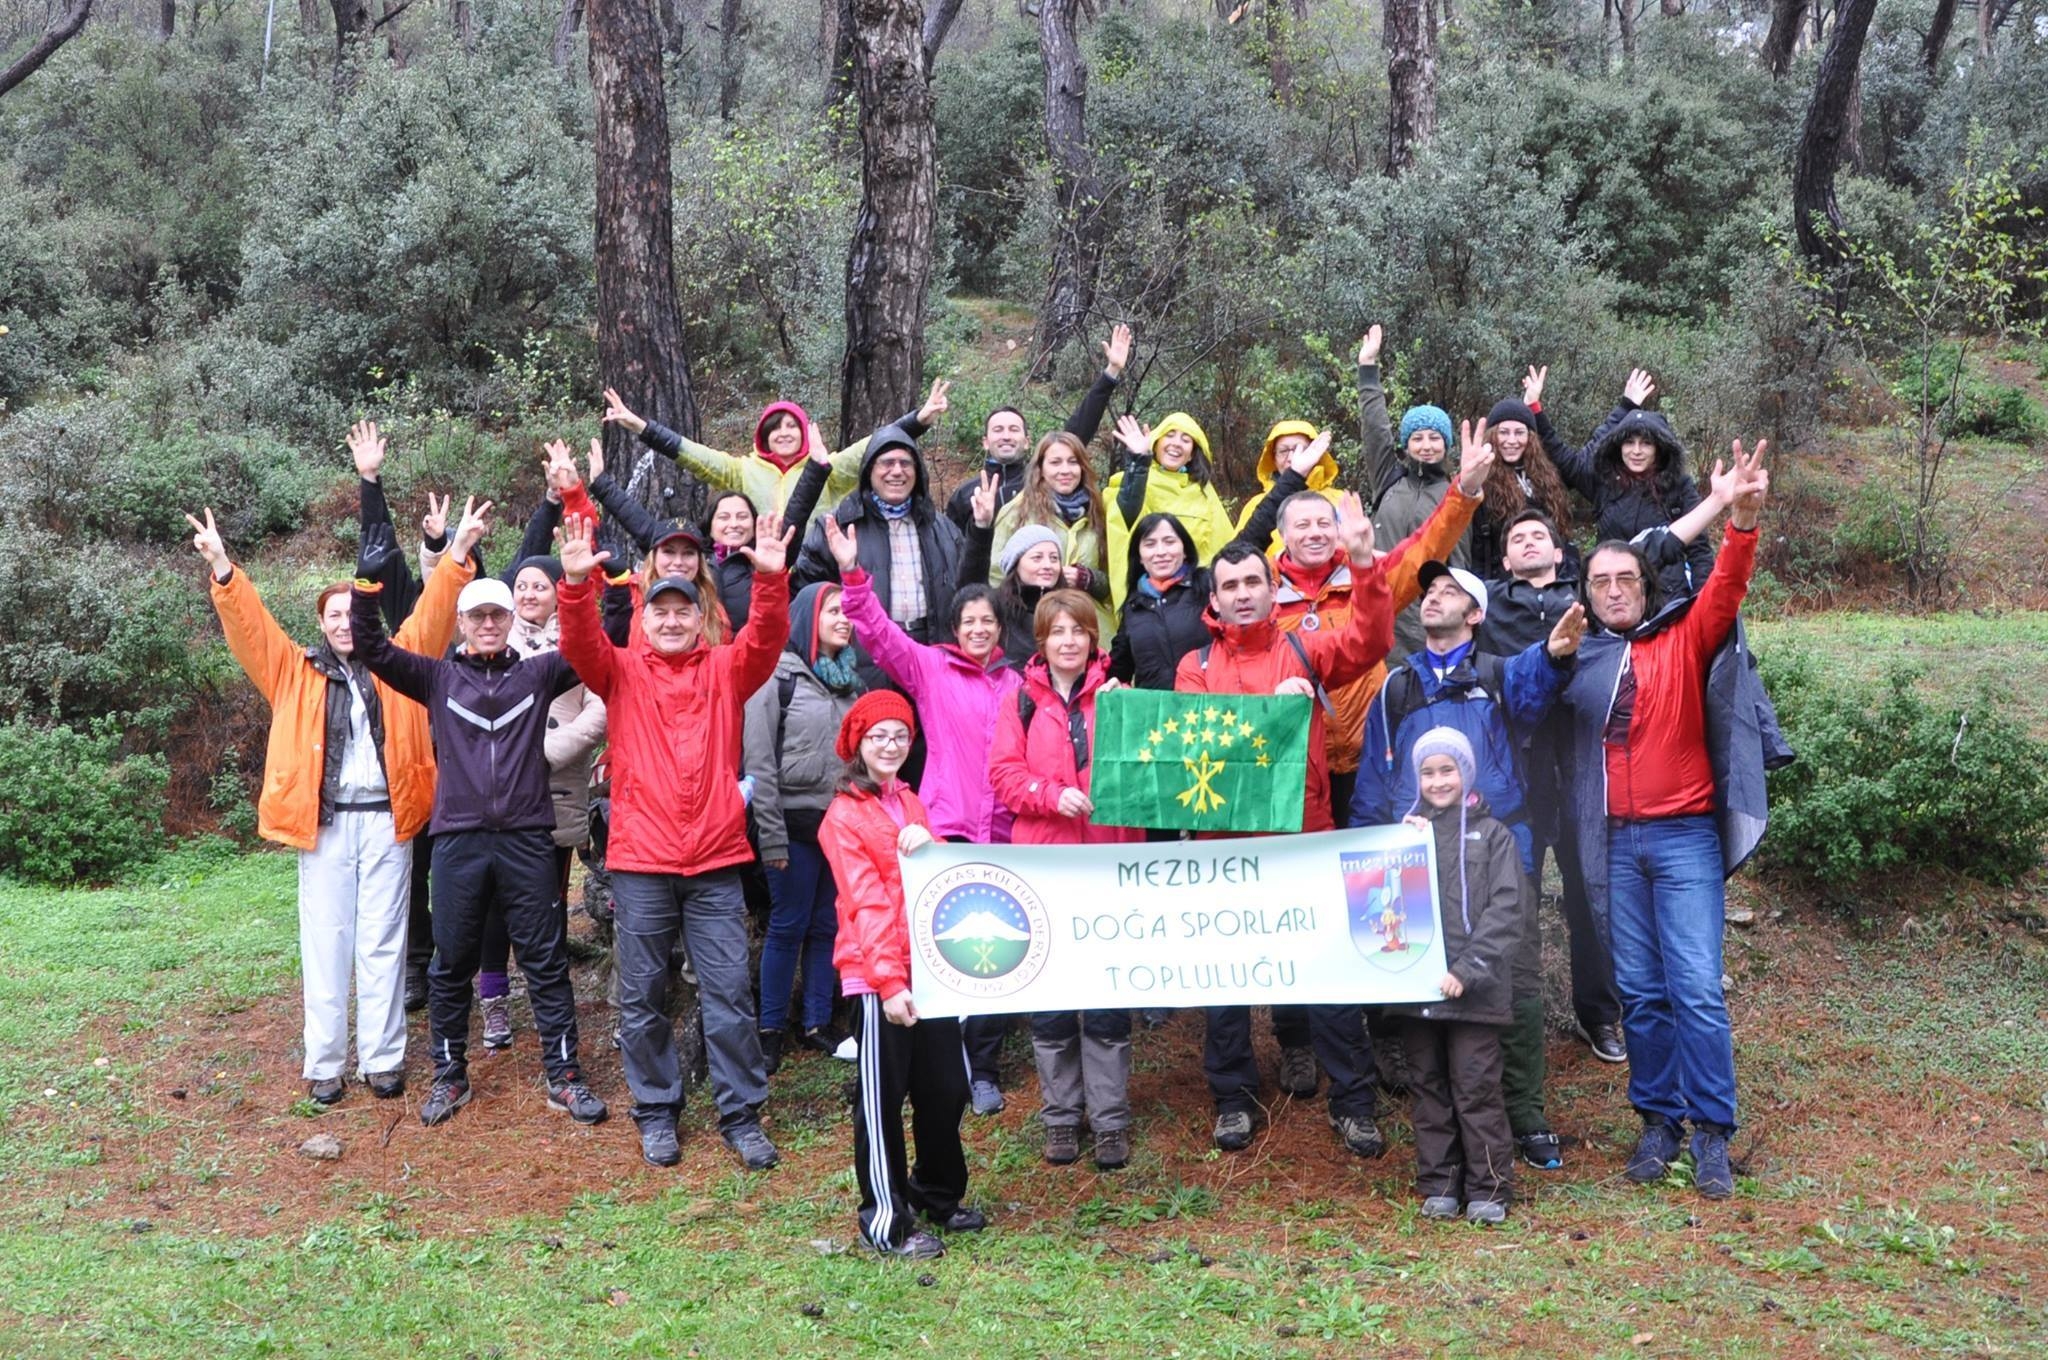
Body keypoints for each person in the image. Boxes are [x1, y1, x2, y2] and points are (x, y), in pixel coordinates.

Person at [190, 503, 475, 1104]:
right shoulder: (293, 672)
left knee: (384, 940)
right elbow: (253, 628)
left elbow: (434, 613)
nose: (346, 623)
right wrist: (222, 567)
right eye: (334, 614)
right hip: (324, 826)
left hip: (388, 822)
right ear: (321, 623)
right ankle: (324, 1064)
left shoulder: (399, 661)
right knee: (326, 939)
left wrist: (455, 555)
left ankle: (383, 1059)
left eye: (352, 612)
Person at [1552, 439, 1773, 1201]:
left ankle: (1713, 1132)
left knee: (1696, 988)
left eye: (1625, 578)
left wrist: (1738, 521)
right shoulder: (1574, 657)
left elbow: (1728, 588)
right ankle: (1658, 1120)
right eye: (1600, 581)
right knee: (1641, 992)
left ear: (1645, 586)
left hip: (1681, 837)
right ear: (1585, 592)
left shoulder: (1684, 633)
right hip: (1612, 841)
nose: (1614, 590)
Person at [349, 503, 606, 1130]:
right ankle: (448, 1075)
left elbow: (599, 648)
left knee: (544, 960)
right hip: (459, 841)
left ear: (512, 620)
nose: (489, 624)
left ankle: (564, 1076)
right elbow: (372, 647)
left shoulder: (540, 674)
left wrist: (580, 585)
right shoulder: (436, 678)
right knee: (450, 961)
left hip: (525, 838)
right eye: (479, 615)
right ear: (463, 621)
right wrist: (365, 583)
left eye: (499, 615)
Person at [555, 509, 794, 1170]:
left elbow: (768, 637)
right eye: (658, 610)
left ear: (699, 617)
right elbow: (578, 644)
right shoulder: (621, 671)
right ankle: (657, 1109)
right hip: (640, 860)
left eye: (681, 612)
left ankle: (740, 1111)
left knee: (728, 993)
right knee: (642, 996)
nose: (668, 619)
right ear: (645, 618)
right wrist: (575, 588)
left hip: (716, 859)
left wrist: (771, 580)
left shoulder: (726, 669)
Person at [1175, 493, 1395, 1157]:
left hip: (1306, 839)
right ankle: (1233, 1099)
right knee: (1228, 981)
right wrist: (1271, 717)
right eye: (1230, 586)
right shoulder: (1197, 668)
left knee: (1328, 973)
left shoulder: (1307, 649)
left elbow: (1373, 638)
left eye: (1253, 583)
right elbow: (1196, 758)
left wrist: (1363, 563)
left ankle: (1354, 1100)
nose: (1243, 595)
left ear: (1274, 588)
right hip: (1227, 850)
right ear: (1213, 598)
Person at [1351, 560, 1587, 1171]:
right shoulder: (1397, 687)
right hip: (1413, 856)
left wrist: (1557, 656)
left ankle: (1525, 1113)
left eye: (1450, 591)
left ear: (1476, 614)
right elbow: (1376, 778)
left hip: (1500, 847)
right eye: (1428, 591)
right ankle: (1445, 1121)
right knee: (1420, 978)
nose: (1434, 598)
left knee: (1516, 980)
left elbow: (1535, 681)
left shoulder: (1496, 675)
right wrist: (1363, 857)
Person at [824, 513, 1023, 1115]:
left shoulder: (1020, 684)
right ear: (955, 628)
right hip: (941, 833)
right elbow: (879, 633)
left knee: (997, 953)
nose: (980, 630)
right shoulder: (932, 669)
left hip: (1009, 835)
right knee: (943, 947)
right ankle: (932, 1054)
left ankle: (981, 1066)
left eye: (989, 621)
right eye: (969, 621)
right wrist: (852, 573)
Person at [820, 692, 983, 1259]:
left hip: (929, 971)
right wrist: (889, 985)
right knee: (881, 1102)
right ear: (857, 745)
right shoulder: (843, 816)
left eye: (900, 736)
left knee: (945, 1090)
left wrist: (931, 843)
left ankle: (936, 1191)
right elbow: (866, 904)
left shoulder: (910, 801)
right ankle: (886, 1221)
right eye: (878, 736)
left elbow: (933, 885)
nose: (890, 746)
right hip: (877, 979)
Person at [987, 591, 1143, 1170]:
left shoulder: (1117, 697)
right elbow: (1003, 774)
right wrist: (1051, 797)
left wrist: (1130, 714)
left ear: (1093, 639)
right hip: (1045, 865)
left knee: (1104, 996)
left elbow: (1150, 769)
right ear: (1042, 640)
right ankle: (1059, 1118)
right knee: (1051, 997)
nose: (1070, 641)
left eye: (1080, 630)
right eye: (1058, 631)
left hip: (1108, 862)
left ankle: (1109, 1121)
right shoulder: (1019, 702)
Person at [1476, 508, 1626, 1066]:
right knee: (1513, 896)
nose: (1529, 542)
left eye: (1539, 534)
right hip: (1518, 768)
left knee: (1589, 892)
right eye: (1517, 537)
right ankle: (1509, 1015)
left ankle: (1600, 1014)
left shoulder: (1588, 594)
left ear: (1560, 553)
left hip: (1585, 760)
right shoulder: (1490, 603)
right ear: (1506, 558)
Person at [466, 552, 608, 1052]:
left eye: (539, 586)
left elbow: (599, 709)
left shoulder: (579, 643)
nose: (528, 595)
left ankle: (553, 998)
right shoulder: (491, 637)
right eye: (521, 586)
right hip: (496, 791)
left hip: (557, 785)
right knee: (494, 903)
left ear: (557, 592)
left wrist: (543, 751)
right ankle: (494, 998)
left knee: (547, 899)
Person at [1392, 728, 1530, 1226]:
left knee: (1475, 1087)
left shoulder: (1495, 836)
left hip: (1477, 991)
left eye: (1447, 769)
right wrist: (1395, 849)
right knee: (1428, 1086)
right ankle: (1439, 1185)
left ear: (1466, 773)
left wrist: (1468, 969)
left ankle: (1490, 1187)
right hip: (1419, 992)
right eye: (1427, 772)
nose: (1437, 781)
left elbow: (1506, 911)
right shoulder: (1406, 836)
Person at [743, 580, 869, 1073]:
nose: (844, 619)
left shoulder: (851, 682)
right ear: (806, 618)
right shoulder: (777, 676)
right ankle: (771, 1028)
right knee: (787, 925)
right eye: (832, 611)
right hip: (790, 826)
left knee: (826, 924)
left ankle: (817, 1021)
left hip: (837, 826)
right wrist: (769, 833)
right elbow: (758, 764)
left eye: (847, 612)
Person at [599, 383, 949, 531]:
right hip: (761, 571)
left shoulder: (824, 468)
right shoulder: (742, 471)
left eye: (791, 426)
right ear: (764, 435)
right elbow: (693, 455)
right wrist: (641, 427)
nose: (783, 433)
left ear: (803, 431)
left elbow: (870, 448)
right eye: (775, 428)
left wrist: (918, 420)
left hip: (817, 574)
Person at [793, 404, 968, 672]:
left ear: (917, 472)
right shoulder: (838, 526)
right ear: (869, 471)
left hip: (933, 657)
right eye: (886, 463)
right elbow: (802, 593)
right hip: (864, 659)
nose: (896, 471)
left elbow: (968, 590)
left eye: (905, 463)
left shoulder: (941, 529)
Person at [944, 323, 1132, 532]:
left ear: (1027, 442)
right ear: (985, 442)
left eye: (1014, 430)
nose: (1006, 436)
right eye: (998, 430)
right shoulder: (965, 494)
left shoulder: (1043, 480)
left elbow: (1078, 430)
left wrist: (1111, 371)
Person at [1356, 325, 1471, 660]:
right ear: (1406, 444)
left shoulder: (1455, 494)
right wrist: (1367, 369)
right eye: (1417, 438)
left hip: (1431, 623)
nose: (1426, 445)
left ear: (1447, 444)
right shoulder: (1389, 479)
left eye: (1435, 438)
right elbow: (1375, 428)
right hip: (1379, 613)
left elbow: (1461, 563)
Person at [1553, 368, 1712, 599]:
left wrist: (1701, 603)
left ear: (1659, 449)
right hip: (1612, 599)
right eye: (1629, 442)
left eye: (1646, 443)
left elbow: (1699, 551)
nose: (1636, 451)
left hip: (1666, 602)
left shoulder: (1679, 487)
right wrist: (1536, 413)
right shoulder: (1604, 482)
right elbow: (1569, 464)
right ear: (1618, 447)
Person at [1104, 410, 1236, 612]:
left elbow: (1224, 545)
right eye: (1170, 435)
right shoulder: (1135, 482)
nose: (1176, 443)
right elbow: (1124, 519)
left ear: (1192, 452)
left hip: (1197, 599)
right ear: (1156, 442)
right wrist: (1139, 461)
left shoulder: (1204, 492)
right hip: (1148, 599)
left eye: (1186, 439)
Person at [984, 431, 1114, 634]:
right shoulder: (1017, 512)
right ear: (1041, 469)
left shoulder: (1099, 510)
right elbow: (996, 576)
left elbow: (1113, 582)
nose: (1065, 470)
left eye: (1073, 462)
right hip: (1032, 630)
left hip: (1092, 631)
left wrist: (1088, 579)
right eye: (1055, 462)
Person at [1468, 365, 1580, 579]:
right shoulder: (1481, 481)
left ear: (1531, 439)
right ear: (1492, 436)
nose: (1512, 441)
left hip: (1554, 584)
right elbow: (1477, 550)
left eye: (1519, 433)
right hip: (1503, 589)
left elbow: (1563, 537)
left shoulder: (1548, 477)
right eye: (1504, 433)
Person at [1107, 512, 1209, 693]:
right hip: (1156, 715)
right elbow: (1117, 671)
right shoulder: (1134, 607)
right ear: (1139, 556)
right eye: (1150, 544)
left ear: (1185, 550)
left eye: (1169, 542)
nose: (1161, 552)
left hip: (1209, 709)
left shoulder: (1207, 587)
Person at [1231, 419, 1344, 557]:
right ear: (1273, 458)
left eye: (1300, 449)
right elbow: (1237, 557)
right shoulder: (1257, 506)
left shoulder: (1340, 500)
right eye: (1283, 451)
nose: (1291, 458)